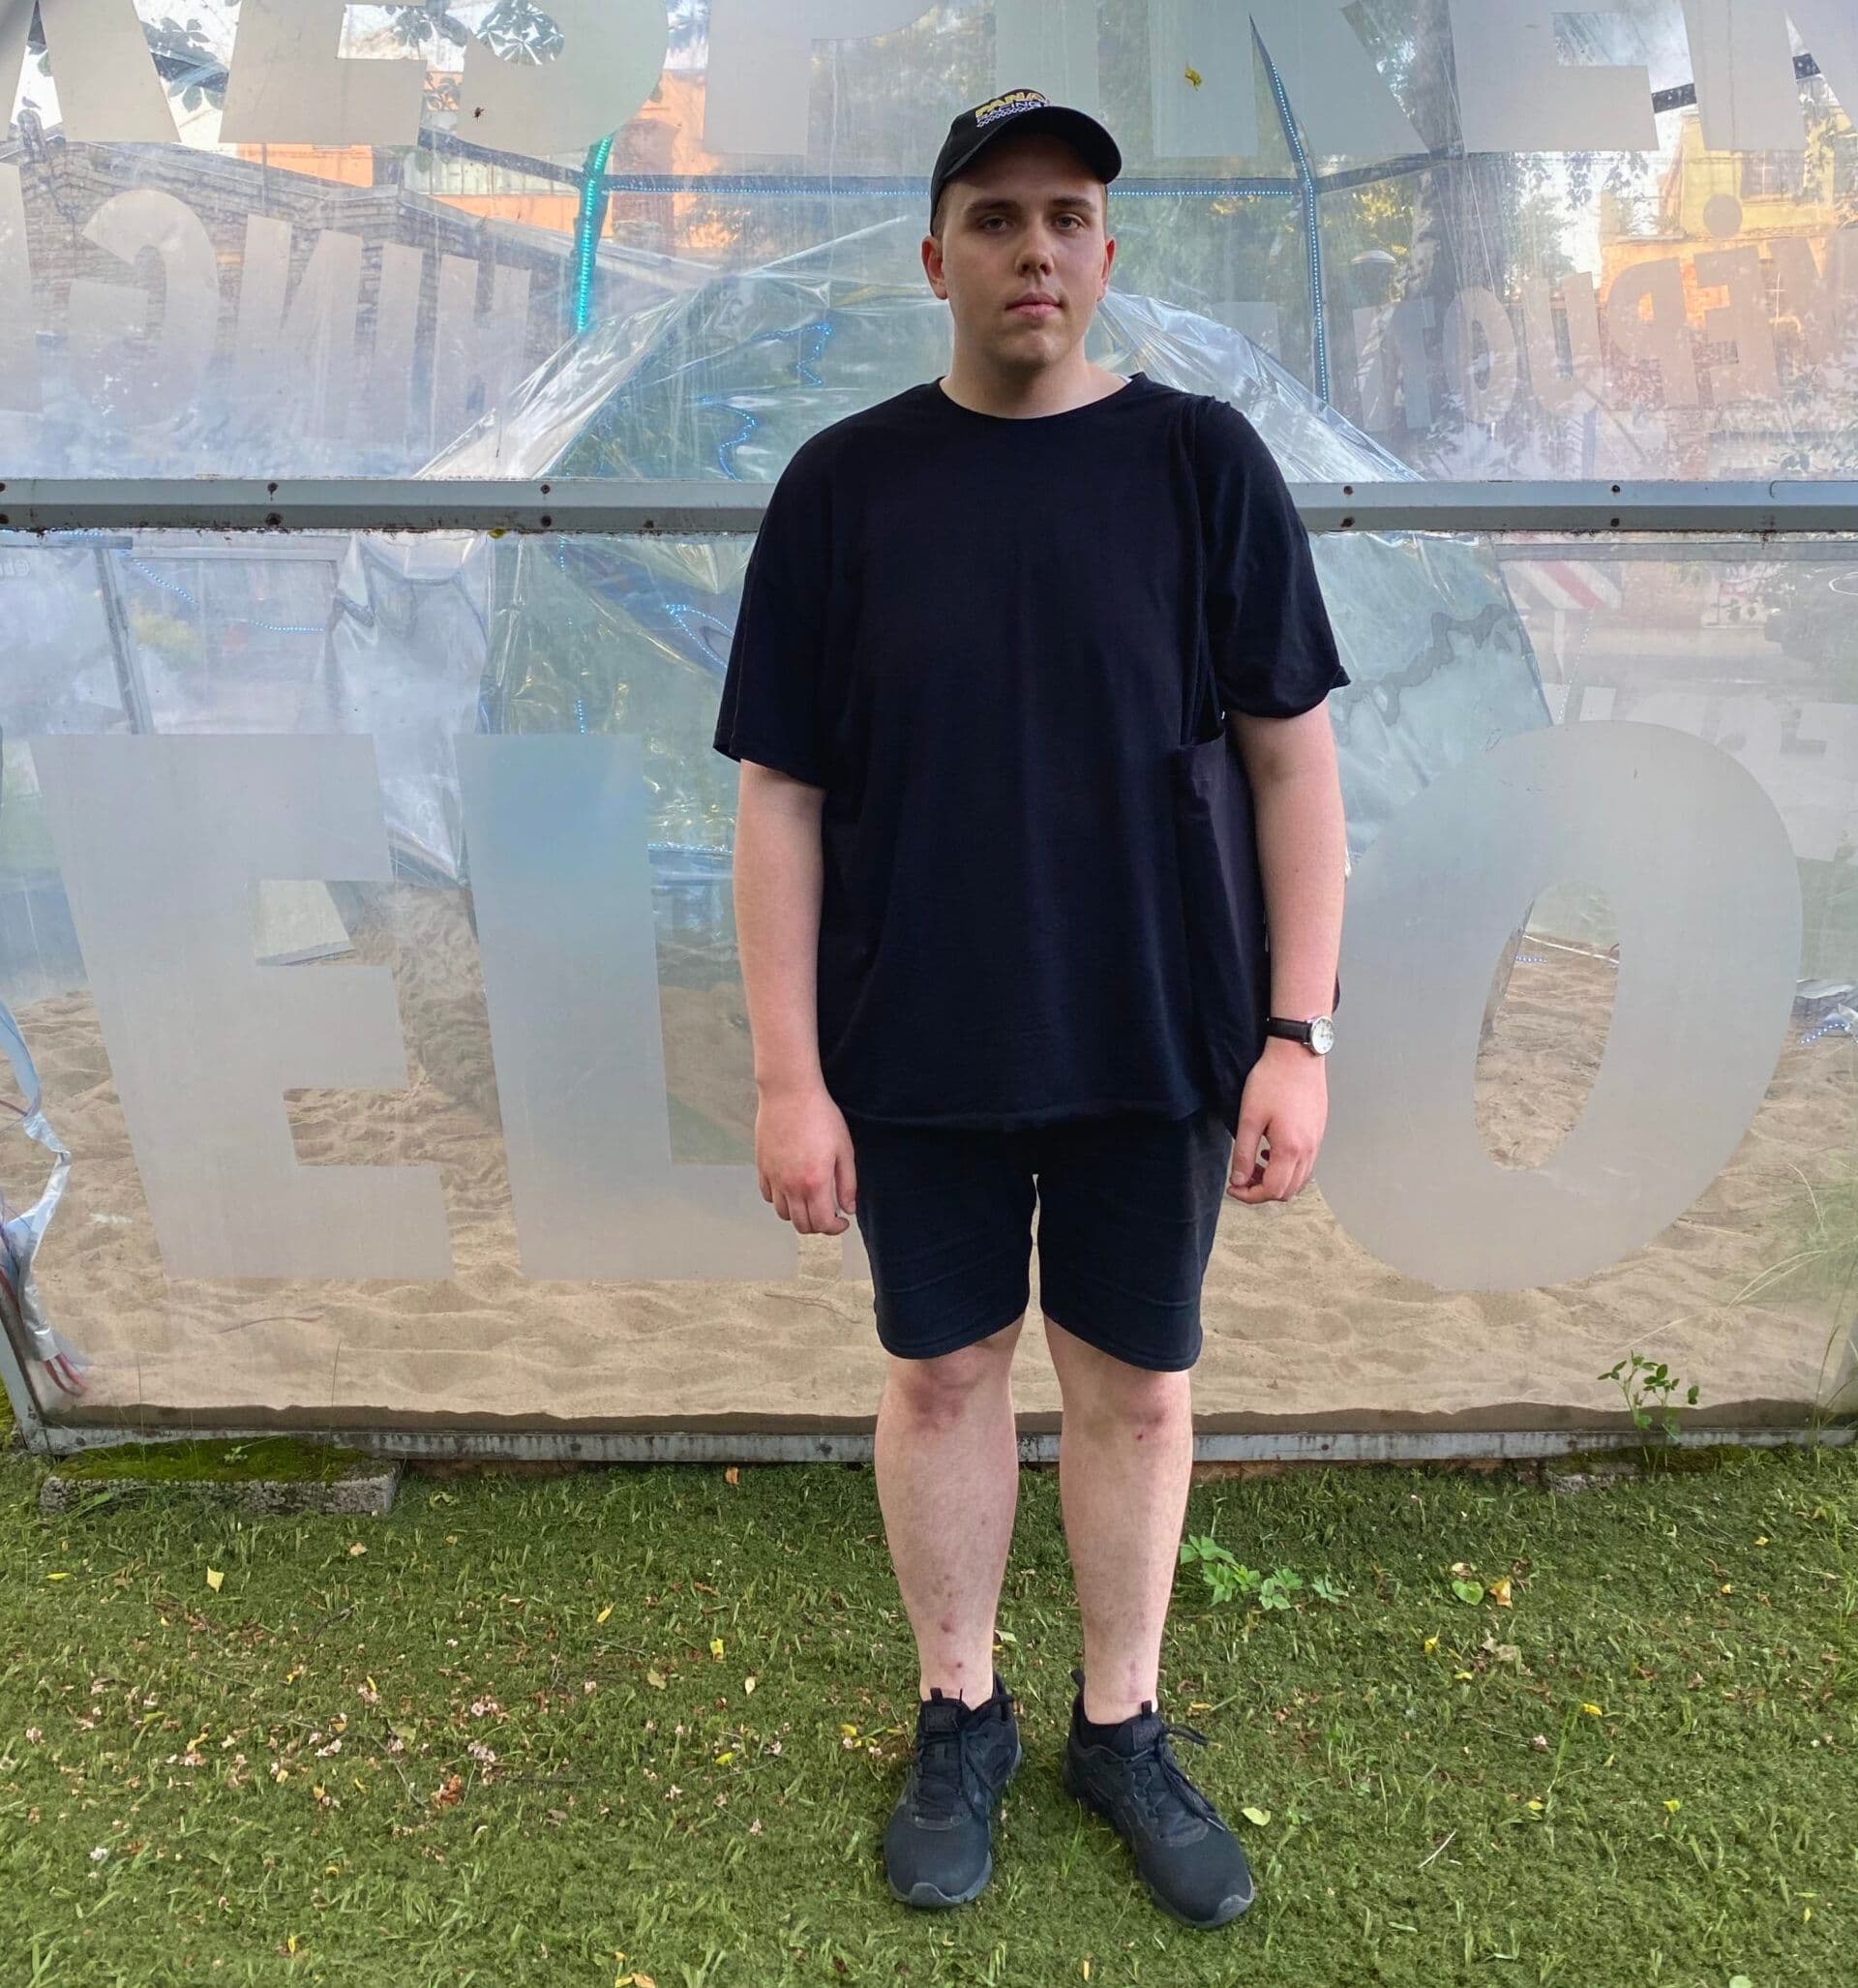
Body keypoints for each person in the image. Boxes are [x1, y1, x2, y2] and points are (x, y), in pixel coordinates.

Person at [711, 88, 1350, 1934]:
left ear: (1108, 253)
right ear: (937, 259)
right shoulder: (844, 488)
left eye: (1067, 216)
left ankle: (1120, 1724)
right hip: (914, 1037)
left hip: (1159, 1029)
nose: (1035, 250)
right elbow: (780, 798)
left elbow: (1296, 768)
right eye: (995, 219)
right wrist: (787, 1078)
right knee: (943, 1371)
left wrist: (1293, 1037)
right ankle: (961, 1712)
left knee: (1138, 1390)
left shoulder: (1200, 464)